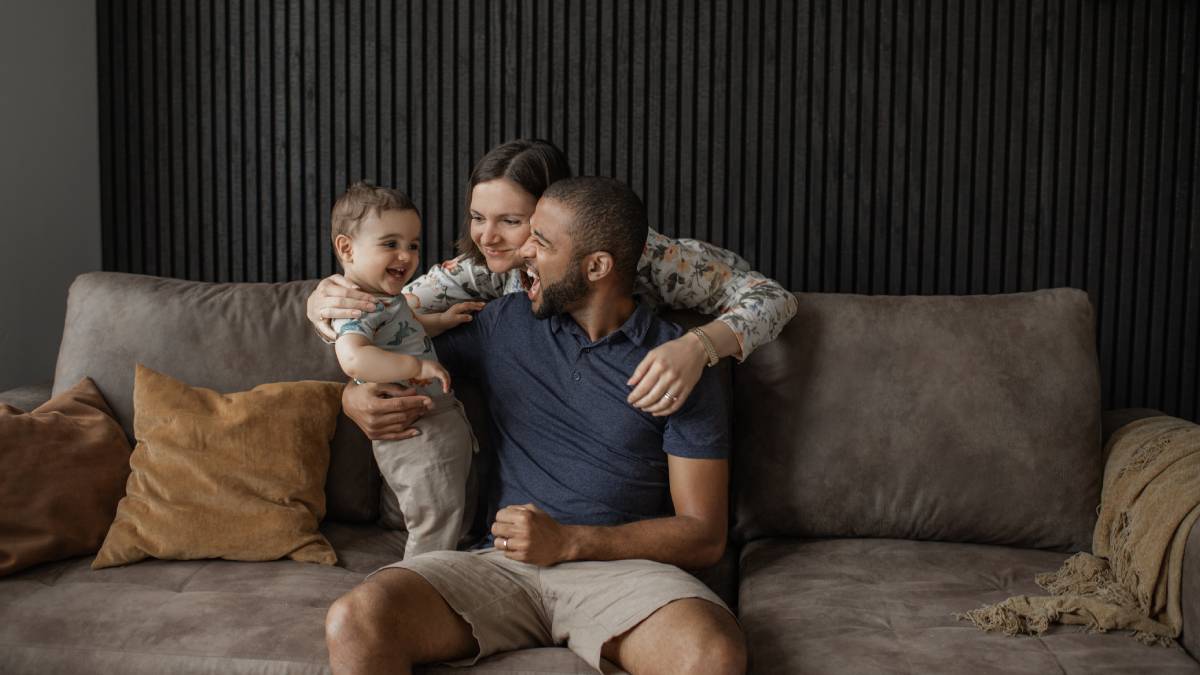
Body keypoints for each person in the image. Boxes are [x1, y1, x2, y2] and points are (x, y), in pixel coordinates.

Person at [324, 176, 745, 675]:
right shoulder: (506, 323)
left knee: (712, 655)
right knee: (356, 619)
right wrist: (352, 396)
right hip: (499, 567)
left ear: (596, 266)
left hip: (623, 575)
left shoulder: (680, 364)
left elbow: (704, 535)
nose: (522, 251)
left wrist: (570, 541)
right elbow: (391, 349)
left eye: (541, 242)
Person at [306, 139, 796, 441]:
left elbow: (773, 298)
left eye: (512, 221)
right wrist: (324, 317)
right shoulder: (482, 269)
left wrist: (697, 346)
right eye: (478, 217)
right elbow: (388, 317)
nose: (487, 237)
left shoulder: (649, 259)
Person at [326, 181, 476, 558]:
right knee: (434, 517)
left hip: (437, 419)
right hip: (412, 425)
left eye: (413, 245)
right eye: (390, 243)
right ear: (347, 248)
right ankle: (419, 585)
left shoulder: (388, 300)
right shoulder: (356, 306)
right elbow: (355, 358)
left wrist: (442, 319)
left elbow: (410, 327)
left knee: (447, 511)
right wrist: (414, 365)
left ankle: (436, 575)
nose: (406, 255)